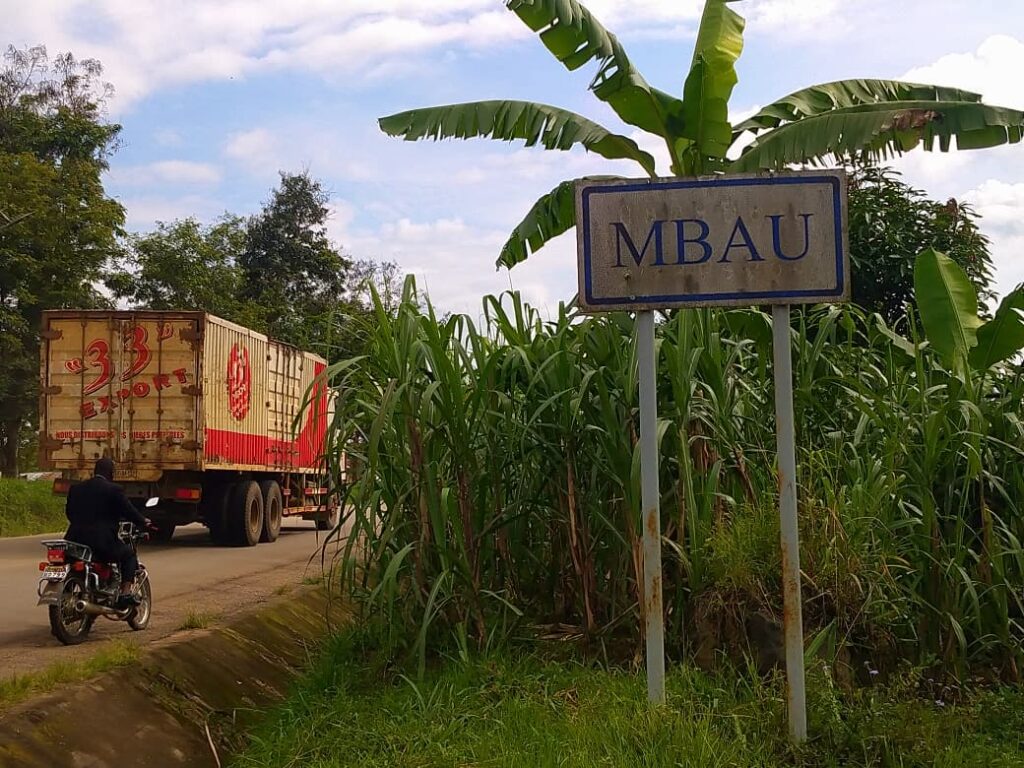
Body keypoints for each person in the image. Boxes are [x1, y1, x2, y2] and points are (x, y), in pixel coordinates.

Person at [65, 457, 150, 607]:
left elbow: (70, 513)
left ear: (95, 471)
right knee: (129, 555)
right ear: (111, 473)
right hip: (101, 542)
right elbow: (128, 510)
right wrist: (143, 521)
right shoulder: (114, 490)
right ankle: (125, 593)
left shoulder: (77, 488)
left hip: (75, 540)